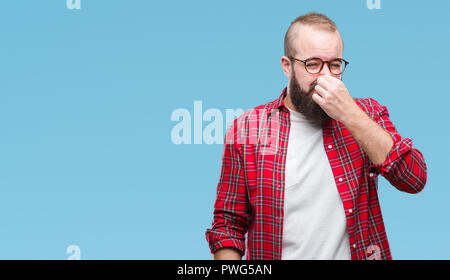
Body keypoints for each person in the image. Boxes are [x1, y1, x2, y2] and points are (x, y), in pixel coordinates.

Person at [205, 12, 427, 260]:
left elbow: (413, 178)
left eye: (334, 65)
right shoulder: (248, 129)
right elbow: (228, 225)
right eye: (313, 64)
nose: (325, 76)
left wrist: (351, 115)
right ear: (287, 66)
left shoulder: (367, 114)